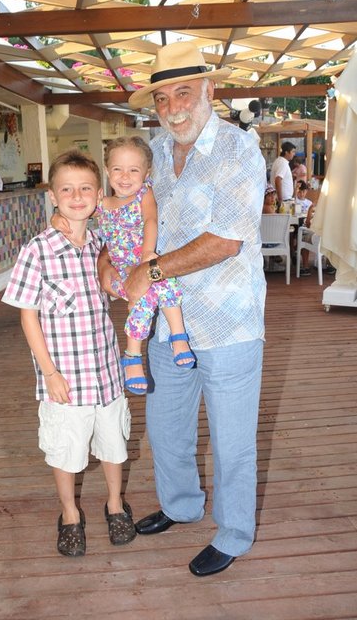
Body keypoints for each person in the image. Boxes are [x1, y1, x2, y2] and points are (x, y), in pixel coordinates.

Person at [98, 41, 267, 577]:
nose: (172, 107)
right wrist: (106, 260)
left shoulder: (239, 150)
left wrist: (146, 272)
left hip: (228, 322)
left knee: (232, 441)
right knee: (167, 429)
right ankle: (181, 505)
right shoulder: (148, 154)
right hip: (165, 323)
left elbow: (227, 240)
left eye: (184, 93)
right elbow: (121, 219)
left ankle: (234, 532)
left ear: (209, 91)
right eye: (162, 98)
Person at [2, 149, 136, 558]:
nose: (77, 197)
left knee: (114, 445)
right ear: (52, 196)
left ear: (98, 194)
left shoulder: (102, 245)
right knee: (66, 451)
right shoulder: (37, 250)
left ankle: (115, 504)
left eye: (85, 189)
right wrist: (49, 373)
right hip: (64, 379)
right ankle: (70, 514)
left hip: (106, 372)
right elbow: (28, 316)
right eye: (66, 190)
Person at [99, 136, 196, 395]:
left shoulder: (144, 194)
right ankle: (134, 354)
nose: (125, 176)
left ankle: (173, 338)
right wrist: (58, 216)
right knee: (143, 296)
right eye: (117, 169)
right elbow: (74, 212)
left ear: (146, 173)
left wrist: (147, 253)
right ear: (107, 170)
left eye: (133, 170)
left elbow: (150, 220)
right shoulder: (101, 204)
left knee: (163, 280)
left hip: (144, 259)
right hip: (121, 271)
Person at [270, 141, 296, 208]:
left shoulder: (280, 161)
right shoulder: (283, 163)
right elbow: (278, 179)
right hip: (284, 200)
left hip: (283, 198)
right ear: (286, 152)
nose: (294, 154)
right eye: (293, 152)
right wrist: (280, 199)